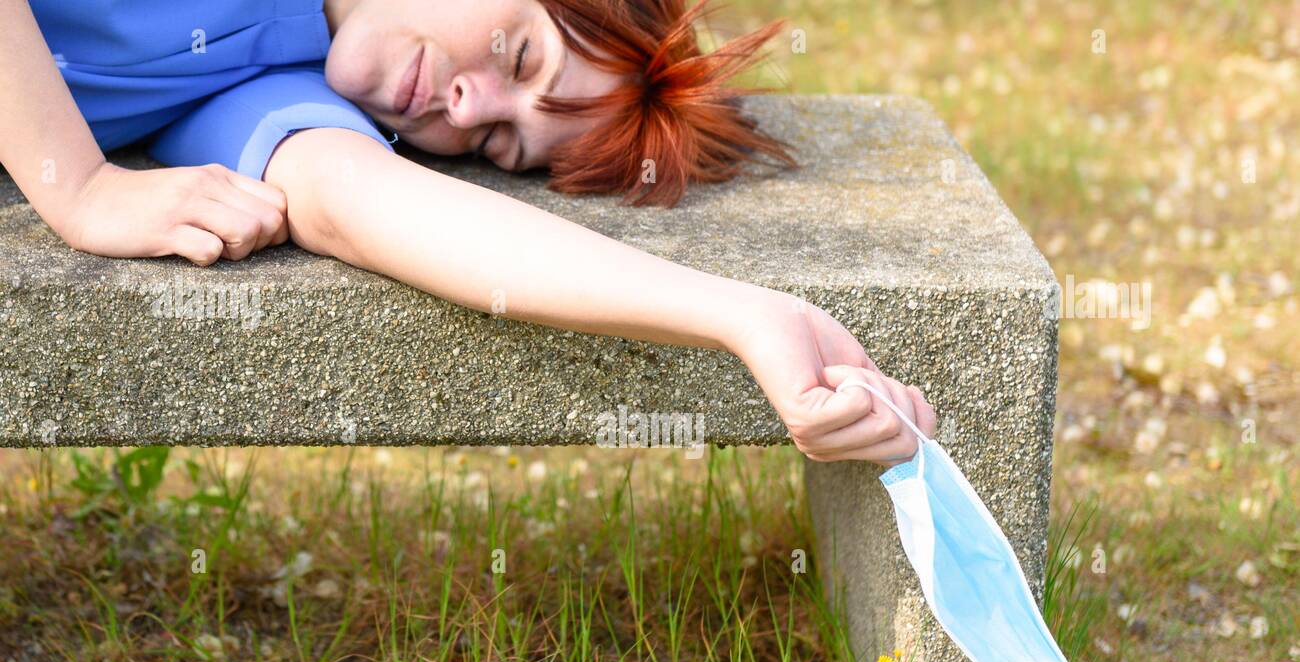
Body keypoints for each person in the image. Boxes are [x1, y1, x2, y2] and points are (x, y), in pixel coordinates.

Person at [1, 0, 936, 463]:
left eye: (498, 138)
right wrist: (78, 185)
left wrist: (746, 317)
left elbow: (372, 206)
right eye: (518, 52)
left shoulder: (279, 77)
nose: (465, 102)